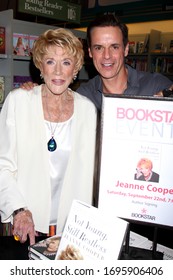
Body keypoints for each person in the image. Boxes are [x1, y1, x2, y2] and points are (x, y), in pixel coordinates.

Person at [0, 28, 97, 246]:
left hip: (71, 229)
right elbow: (2, 165)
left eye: (66, 62)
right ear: (40, 66)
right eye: (51, 61)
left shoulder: (87, 110)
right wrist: (19, 210)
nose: (58, 72)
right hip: (25, 224)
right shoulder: (18, 102)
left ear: (76, 68)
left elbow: (91, 174)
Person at [21, 14, 173, 110]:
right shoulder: (84, 96)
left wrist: (166, 98)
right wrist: (34, 91)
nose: (107, 56)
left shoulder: (155, 85)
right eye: (99, 47)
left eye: (114, 47)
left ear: (126, 49)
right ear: (90, 52)